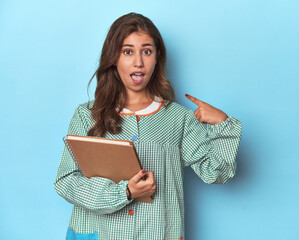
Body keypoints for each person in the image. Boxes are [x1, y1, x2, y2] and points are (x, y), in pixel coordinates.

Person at [54, 12, 242, 240]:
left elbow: (216, 173)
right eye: (127, 51)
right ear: (114, 57)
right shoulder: (87, 115)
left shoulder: (179, 119)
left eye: (146, 51)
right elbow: (66, 181)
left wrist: (223, 125)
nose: (138, 62)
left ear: (157, 56)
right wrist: (124, 192)